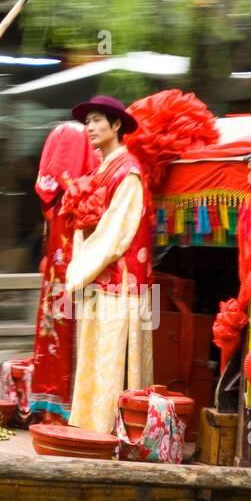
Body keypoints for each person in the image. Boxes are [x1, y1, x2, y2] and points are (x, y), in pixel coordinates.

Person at [63, 96, 154, 433]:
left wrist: (77, 270)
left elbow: (117, 232)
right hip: (95, 276)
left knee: (112, 354)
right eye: (87, 122)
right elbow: (84, 226)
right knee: (93, 352)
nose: (89, 127)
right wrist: (80, 266)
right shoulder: (98, 171)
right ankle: (89, 423)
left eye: (97, 120)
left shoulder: (129, 172)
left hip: (121, 280)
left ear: (117, 125)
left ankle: (114, 429)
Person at [25, 122, 100, 422]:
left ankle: (48, 406)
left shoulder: (53, 203)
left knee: (53, 327)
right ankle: (69, 408)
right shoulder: (77, 199)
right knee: (70, 329)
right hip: (76, 279)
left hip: (57, 282)